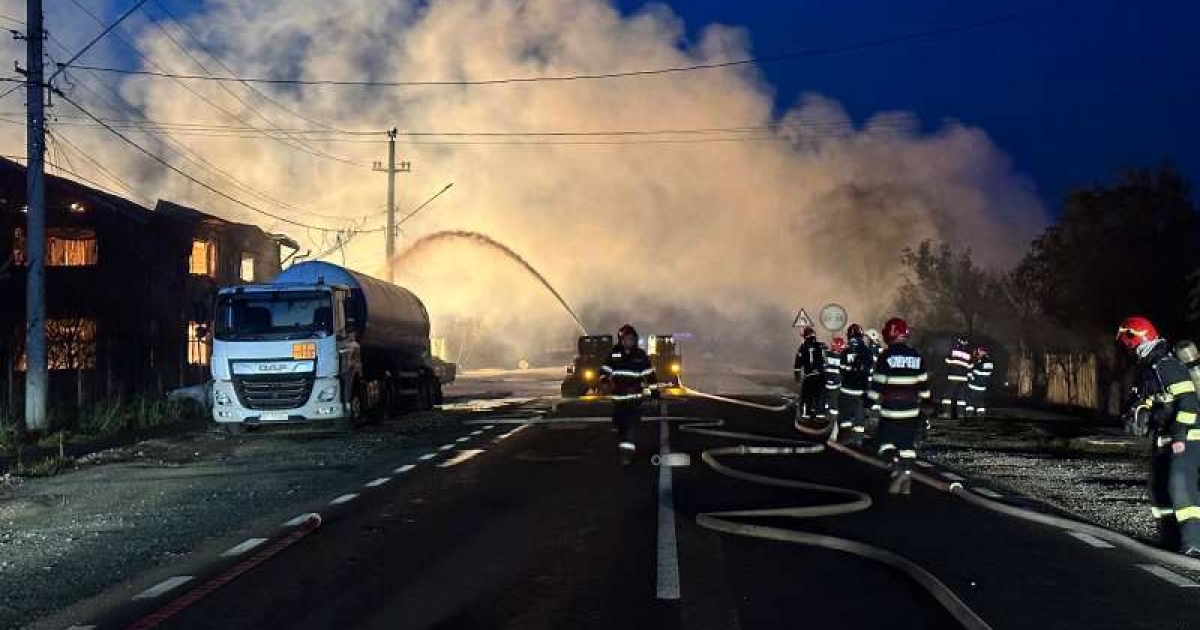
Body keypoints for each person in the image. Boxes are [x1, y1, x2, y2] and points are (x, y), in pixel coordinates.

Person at [1118, 316, 1200, 556]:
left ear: (1135, 339)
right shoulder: (1151, 367)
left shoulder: (1166, 364)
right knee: (1159, 489)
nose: (1127, 349)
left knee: (1180, 486)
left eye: (1127, 342)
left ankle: (1194, 542)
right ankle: (1169, 539)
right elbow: (1151, 401)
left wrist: (1180, 435)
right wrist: (1139, 413)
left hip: (1187, 436)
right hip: (1164, 438)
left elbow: (1188, 403)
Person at [868, 317, 931, 496]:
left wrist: (869, 402)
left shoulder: (885, 356)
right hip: (911, 410)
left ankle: (897, 468)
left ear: (891, 333)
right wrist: (926, 404)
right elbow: (924, 386)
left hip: (891, 409)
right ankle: (906, 476)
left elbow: (878, 384)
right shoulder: (917, 357)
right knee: (907, 445)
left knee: (884, 442)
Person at [602, 324, 658, 463]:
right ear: (621, 340)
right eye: (627, 339)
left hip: (635, 399)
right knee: (621, 426)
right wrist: (604, 381)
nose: (630, 341)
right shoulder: (614, 354)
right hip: (619, 399)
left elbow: (649, 374)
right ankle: (625, 445)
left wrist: (655, 393)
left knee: (631, 427)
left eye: (632, 339)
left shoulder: (640, 356)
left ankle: (627, 454)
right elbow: (604, 369)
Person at [838, 324, 873, 444]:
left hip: (846, 391)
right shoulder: (867, 351)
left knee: (844, 420)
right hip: (860, 393)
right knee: (859, 421)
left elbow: (841, 370)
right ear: (861, 336)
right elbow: (869, 373)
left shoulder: (845, 351)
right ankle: (857, 444)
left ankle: (842, 443)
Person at [793, 326, 826, 422]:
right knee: (819, 395)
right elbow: (827, 360)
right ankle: (820, 415)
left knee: (806, 395)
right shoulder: (821, 346)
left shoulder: (802, 347)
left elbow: (797, 364)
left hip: (809, 376)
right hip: (820, 375)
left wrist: (797, 377)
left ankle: (806, 414)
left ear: (805, 336)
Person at [941, 335, 973, 421]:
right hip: (963, 379)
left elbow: (947, 360)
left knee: (947, 396)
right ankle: (961, 414)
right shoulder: (968, 353)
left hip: (953, 377)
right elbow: (970, 366)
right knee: (961, 398)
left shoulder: (953, 350)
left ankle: (947, 413)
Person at [964, 345, 995, 420]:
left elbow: (973, 371)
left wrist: (970, 377)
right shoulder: (990, 361)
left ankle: (969, 417)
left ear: (982, 352)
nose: (978, 353)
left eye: (979, 352)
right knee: (980, 403)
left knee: (970, 402)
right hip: (983, 387)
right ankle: (981, 417)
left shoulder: (980, 361)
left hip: (974, 385)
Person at [824, 336, 846, 430]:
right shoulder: (843, 356)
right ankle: (833, 423)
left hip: (826, 383)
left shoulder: (827, 354)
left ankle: (825, 417)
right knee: (834, 404)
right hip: (836, 385)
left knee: (826, 401)